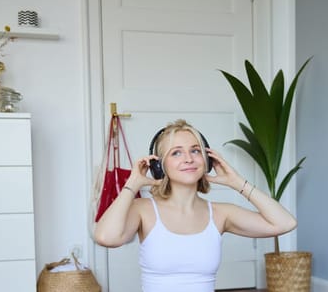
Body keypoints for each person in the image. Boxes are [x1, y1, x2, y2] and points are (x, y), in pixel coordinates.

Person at [93, 119, 297, 292]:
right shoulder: (142, 209)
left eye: (195, 150)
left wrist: (237, 182)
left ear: (207, 160)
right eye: (176, 153)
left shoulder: (220, 213)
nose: (189, 158)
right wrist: (132, 184)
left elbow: (284, 223)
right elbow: (105, 237)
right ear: (159, 166)